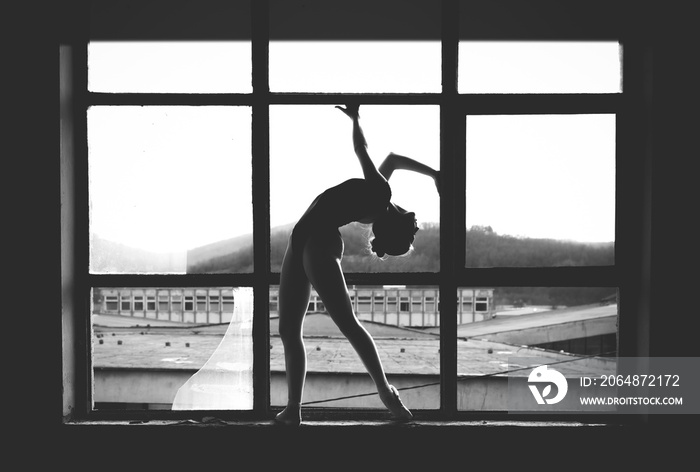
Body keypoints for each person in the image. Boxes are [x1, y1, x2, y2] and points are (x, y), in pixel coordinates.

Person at [274, 104, 440, 426]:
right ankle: (292, 409)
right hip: (304, 238)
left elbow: (362, 149)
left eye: (412, 232)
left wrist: (355, 120)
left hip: (317, 241)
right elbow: (391, 160)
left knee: (347, 323)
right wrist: (434, 174)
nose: (418, 227)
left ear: (396, 225)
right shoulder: (382, 194)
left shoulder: (380, 194)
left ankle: (389, 397)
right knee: (288, 330)